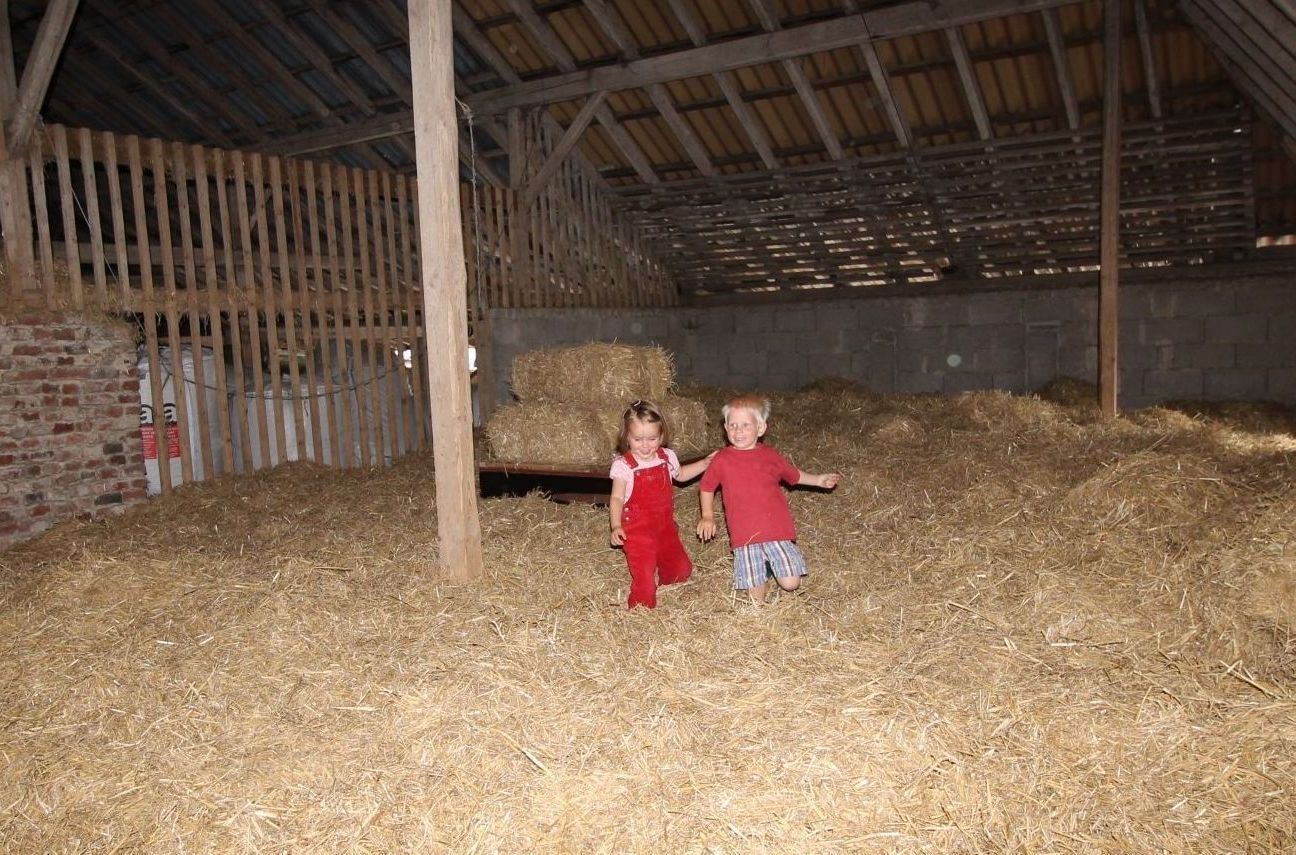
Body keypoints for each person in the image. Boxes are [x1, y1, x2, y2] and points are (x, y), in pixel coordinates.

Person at [696, 394, 841, 603]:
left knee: (791, 583)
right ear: (725, 428)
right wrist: (708, 516)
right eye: (733, 425)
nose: (738, 431)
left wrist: (818, 480)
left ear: (761, 428)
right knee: (756, 600)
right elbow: (706, 487)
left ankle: (772, 564)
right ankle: (763, 567)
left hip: (775, 531)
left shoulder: (769, 456)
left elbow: (794, 475)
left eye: (745, 425)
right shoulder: (722, 459)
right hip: (745, 536)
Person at [609, 400, 713, 609]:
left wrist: (704, 463)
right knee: (645, 579)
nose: (645, 445)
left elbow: (681, 475)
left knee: (680, 572)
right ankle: (640, 609)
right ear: (627, 437)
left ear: (661, 435)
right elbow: (617, 498)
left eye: (652, 439)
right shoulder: (624, 466)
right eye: (638, 439)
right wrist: (616, 525)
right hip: (636, 531)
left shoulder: (667, 457)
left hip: (664, 526)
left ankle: (664, 574)